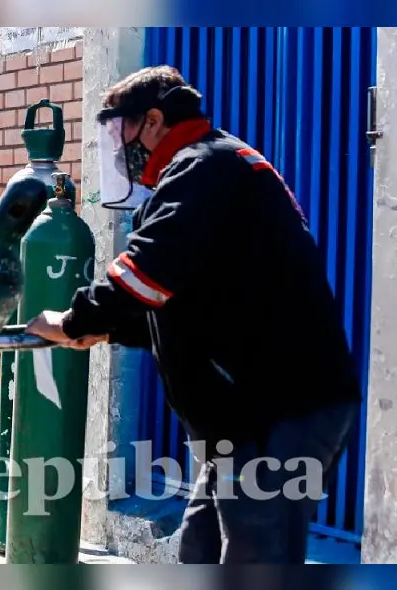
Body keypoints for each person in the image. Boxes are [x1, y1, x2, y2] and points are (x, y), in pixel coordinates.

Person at [24, 66, 362, 564]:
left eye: (123, 129)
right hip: (248, 414)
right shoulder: (211, 165)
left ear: (154, 120)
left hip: (281, 408)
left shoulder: (203, 167)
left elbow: (148, 270)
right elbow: (180, 300)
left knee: (256, 556)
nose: (119, 147)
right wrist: (107, 330)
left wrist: (73, 321)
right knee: (200, 548)